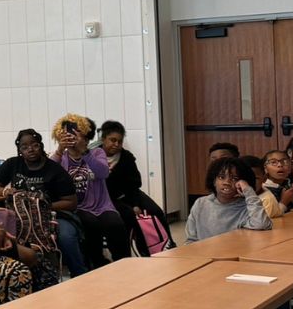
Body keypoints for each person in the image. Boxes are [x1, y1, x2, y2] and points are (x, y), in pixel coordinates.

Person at [0, 129, 84, 275]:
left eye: (34, 145)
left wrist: (40, 206)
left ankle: (79, 273)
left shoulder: (55, 169)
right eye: (24, 147)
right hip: (19, 216)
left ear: (41, 146)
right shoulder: (13, 164)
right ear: (20, 150)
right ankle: (14, 275)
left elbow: (71, 202)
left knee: (66, 237)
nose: (30, 149)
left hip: (53, 215)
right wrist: (5, 191)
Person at [50, 114, 130, 268]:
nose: (73, 136)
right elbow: (50, 174)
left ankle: (125, 264)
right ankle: (97, 263)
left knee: (116, 224)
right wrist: (60, 149)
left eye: (77, 132)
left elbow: (103, 173)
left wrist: (84, 152)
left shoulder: (96, 153)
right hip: (78, 207)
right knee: (91, 225)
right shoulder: (62, 157)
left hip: (102, 205)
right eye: (68, 133)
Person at [99, 121, 172, 253]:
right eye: (112, 140)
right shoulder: (94, 156)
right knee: (129, 216)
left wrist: (135, 203)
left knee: (156, 211)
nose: (116, 144)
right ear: (103, 139)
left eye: (119, 141)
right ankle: (137, 251)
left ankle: (169, 245)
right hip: (108, 199)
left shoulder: (126, 157)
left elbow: (134, 183)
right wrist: (132, 207)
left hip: (130, 193)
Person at [185, 157, 271, 243]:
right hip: (202, 253)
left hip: (236, 253)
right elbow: (191, 239)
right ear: (214, 181)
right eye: (221, 177)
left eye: (234, 179)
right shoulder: (201, 203)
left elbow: (262, 224)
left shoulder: (247, 207)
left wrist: (248, 191)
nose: (227, 182)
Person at [260, 149, 293, 216]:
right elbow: (268, 217)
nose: (280, 165)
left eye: (284, 161)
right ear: (265, 168)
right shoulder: (263, 190)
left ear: (290, 167)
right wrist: (284, 202)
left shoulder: (289, 185)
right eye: (273, 162)